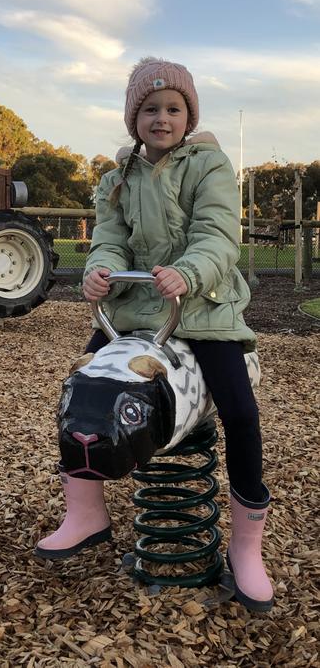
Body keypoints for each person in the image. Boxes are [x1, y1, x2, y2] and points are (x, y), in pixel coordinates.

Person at [35, 57, 273, 613]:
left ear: (188, 117)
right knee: (82, 392)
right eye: (149, 110)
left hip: (203, 307)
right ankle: (85, 512)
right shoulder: (116, 180)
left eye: (173, 109)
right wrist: (100, 270)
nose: (161, 118)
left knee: (239, 410)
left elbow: (218, 236)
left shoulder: (210, 166)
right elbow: (111, 241)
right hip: (137, 307)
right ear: (133, 118)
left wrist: (187, 274)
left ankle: (246, 545)